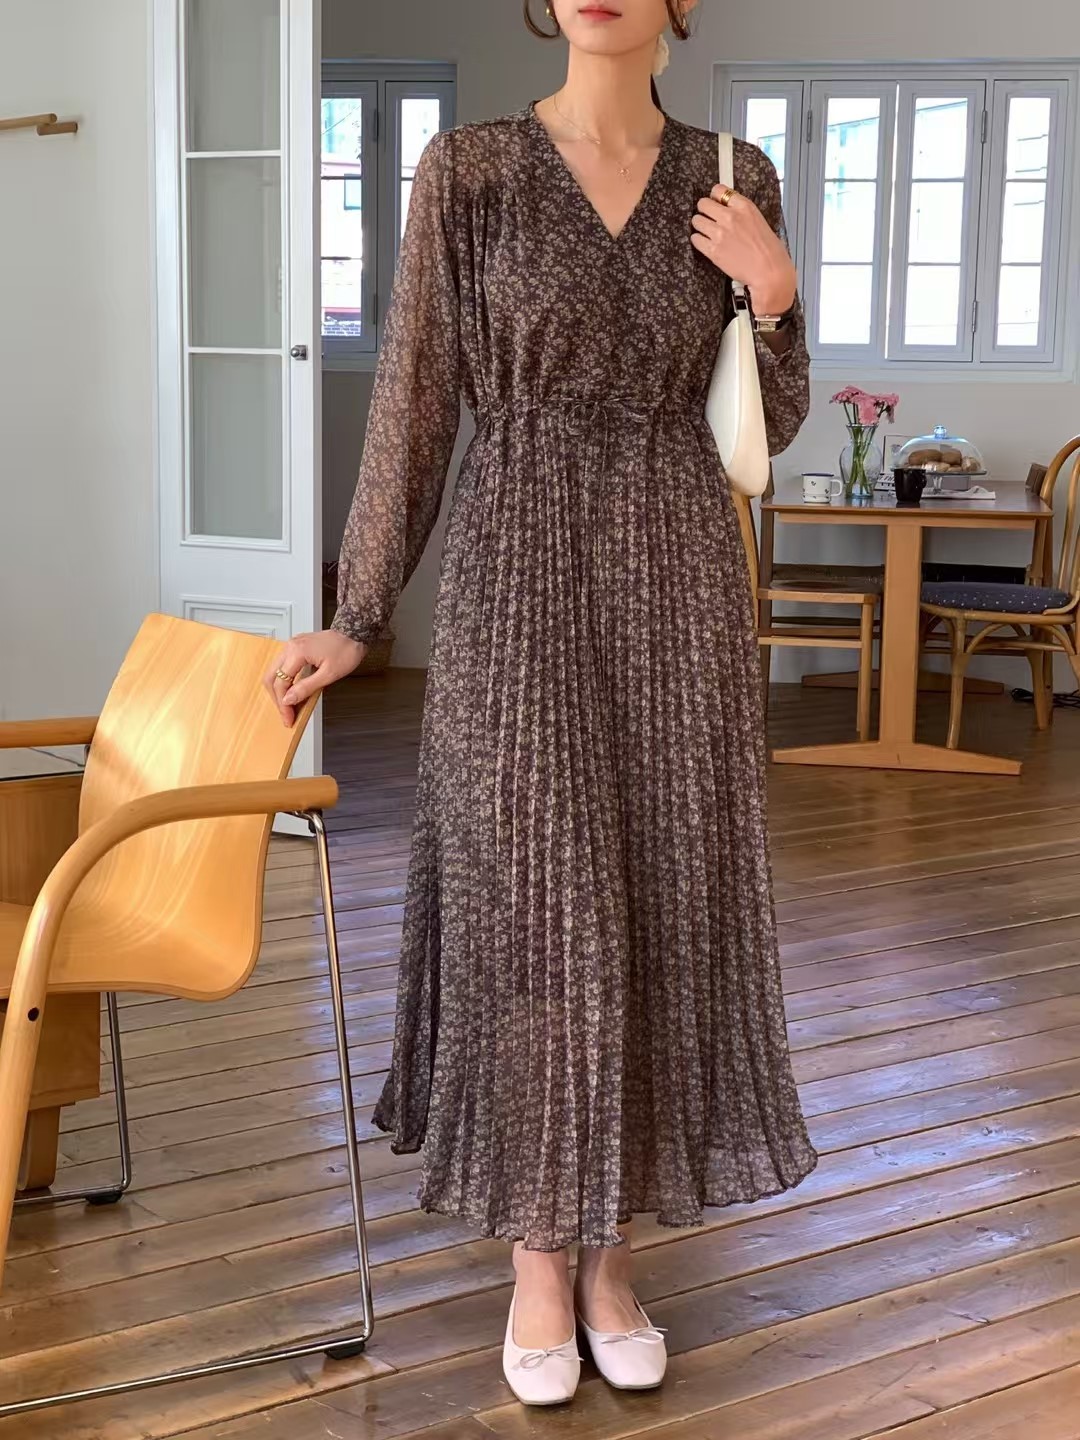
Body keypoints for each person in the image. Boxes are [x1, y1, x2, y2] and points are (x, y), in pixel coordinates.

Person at [266, 0, 816, 1408]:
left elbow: (766, 420)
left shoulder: (735, 174)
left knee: (654, 898)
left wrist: (774, 293)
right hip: (514, 574)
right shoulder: (471, 171)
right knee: (531, 902)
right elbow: (415, 399)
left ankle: (610, 1256)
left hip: (677, 583)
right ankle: (534, 1256)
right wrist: (358, 613)